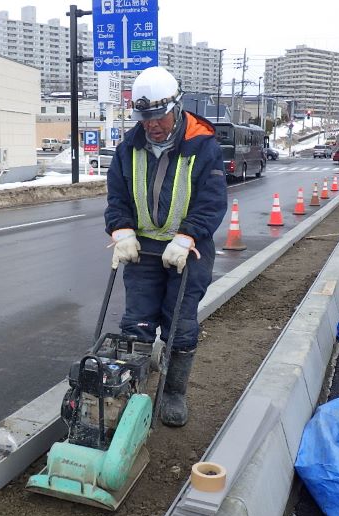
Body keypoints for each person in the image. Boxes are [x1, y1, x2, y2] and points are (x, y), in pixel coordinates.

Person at [104, 66, 227, 427]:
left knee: (180, 325)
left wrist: (188, 236)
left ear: (176, 107)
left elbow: (212, 200)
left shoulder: (202, 145)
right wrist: (122, 232)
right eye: (145, 118)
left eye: (158, 116)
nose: (152, 125)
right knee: (136, 323)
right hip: (143, 250)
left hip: (188, 251)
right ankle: (130, 391)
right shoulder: (129, 146)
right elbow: (117, 197)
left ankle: (173, 391)